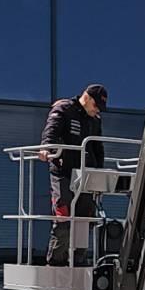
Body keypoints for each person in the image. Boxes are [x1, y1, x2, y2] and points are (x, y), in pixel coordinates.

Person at [40, 84, 108, 266]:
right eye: (96, 106)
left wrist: (99, 175)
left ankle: (78, 264)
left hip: (85, 176)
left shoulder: (95, 120)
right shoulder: (64, 109)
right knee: (63, 218)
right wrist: (47, 148)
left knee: (83, 222)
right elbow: (51, 132)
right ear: (87, 98)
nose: (96, 111)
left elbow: (98, 148)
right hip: (63, 172)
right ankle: (56, 264)